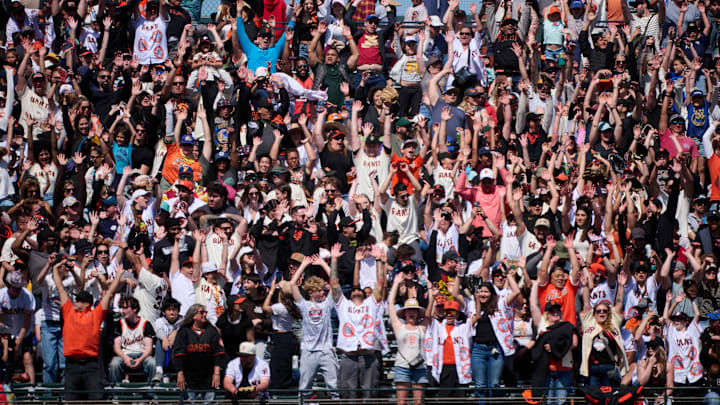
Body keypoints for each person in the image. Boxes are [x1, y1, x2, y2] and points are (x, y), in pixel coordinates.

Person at [55, 259, 126, 401]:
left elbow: (110, 292)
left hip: (91, 364)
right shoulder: (68, 311)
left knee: (96, 399)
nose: (75, 302)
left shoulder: (95, 314)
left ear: (87, 303)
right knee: (70, 399)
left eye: (79, 300)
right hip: (72, 363)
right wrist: (55, 268)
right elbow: (60, 288)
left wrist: (118, 275)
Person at [388, 273, 430, 405]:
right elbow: (390, 304)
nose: (411, 312)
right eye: (409, 310)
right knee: (402, 402)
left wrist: (431, 292)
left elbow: (430, 312)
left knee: (418, 402)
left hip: (419, 366)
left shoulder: (422, 327)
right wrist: (395, 284)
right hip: (402, 366)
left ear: (418, 313)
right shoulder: (398, 326)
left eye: (414, 310)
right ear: (404, 313)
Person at [173, 303, 226, 403]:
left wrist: (217, 373)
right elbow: (179, 354)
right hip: (190, 376)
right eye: (201, 312)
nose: (204, 315)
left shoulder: (211, 331)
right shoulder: (184, 331)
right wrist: (180, 373)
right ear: (193, 316)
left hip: (208, 375)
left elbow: (218, 353)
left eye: (205, 312)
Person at [109, 295, 157, 383]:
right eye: (122, 308)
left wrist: (140, 359)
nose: (123, 311)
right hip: (125, 354)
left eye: (126, 308)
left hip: (142, 355)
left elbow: (149, 349)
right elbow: (116, 347)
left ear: (134, 309)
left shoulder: (145, 324)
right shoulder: (119, 324)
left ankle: (151, 392)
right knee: (114, 364)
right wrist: (125, 358)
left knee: (152, 363)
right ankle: (116, 393)